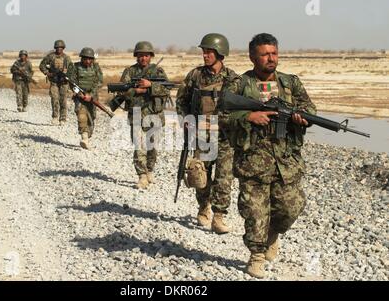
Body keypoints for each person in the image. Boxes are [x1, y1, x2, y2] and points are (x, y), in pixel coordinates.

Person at [222, 33, 317, 278]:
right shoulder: (239, 84)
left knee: (291, 208)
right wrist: (247, 116)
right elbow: (221, 115)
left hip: (286, 161)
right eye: (265, 54)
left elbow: (309, 109)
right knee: (254, 212)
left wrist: (302, 116)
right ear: (253, 56)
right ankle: (256, 256)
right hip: (252, 161)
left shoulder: (290, 83)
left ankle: (272, 233)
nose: (271, 58)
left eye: (274, 53)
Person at [176, 34, 237, 233]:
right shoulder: (195, 76)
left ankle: (219, 217)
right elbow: (181, 100)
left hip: (225, 135)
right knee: (200, 175)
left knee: (224, 177)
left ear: (220, 53)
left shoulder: (232, 78)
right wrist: (185, 119)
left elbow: (240, 107)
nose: (205, 55)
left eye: (209, 51)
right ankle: (204, 207)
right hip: (201, 133)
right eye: (204, 51)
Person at [118, 41, 170, 189]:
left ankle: (150, 170)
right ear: (136, 56)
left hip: (154, 114)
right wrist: (136, 91)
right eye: (140, 55)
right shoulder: (129, 71)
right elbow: (122, 90)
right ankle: (141, 175)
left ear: (151, 56)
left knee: (152, 146)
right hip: (136, 114)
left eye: (146, 55)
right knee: (139, 147)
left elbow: (167, 90)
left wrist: (150, 87)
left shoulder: (158, 71)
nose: (143, 58)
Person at [68, 47, 103, 149]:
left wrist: (90, 94)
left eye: (89, 59)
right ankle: (84, 138)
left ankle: (88, 134)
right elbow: (72, 83)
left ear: (92, 59)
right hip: (80, 97)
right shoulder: (75, 67)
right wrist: (80, 94)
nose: (87, 61)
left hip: (92, 97)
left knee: (91, 117)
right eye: (85, 58)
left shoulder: (96, 67)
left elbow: (99, 82)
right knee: (81, 115)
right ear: (81, 58)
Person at [39, 40, 75, 125]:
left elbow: (72, 69)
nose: (59, 49)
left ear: (63, 48)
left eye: (61, 47)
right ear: (55, 48)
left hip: (64, 82)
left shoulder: (67, 58)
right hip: (54, 82)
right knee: (54, 99)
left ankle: (63, 118)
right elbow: (42, 65)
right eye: (57, 47)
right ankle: (55, 117)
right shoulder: (50, 57)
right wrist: (47, 73)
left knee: (63, 100)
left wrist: (68, 75)